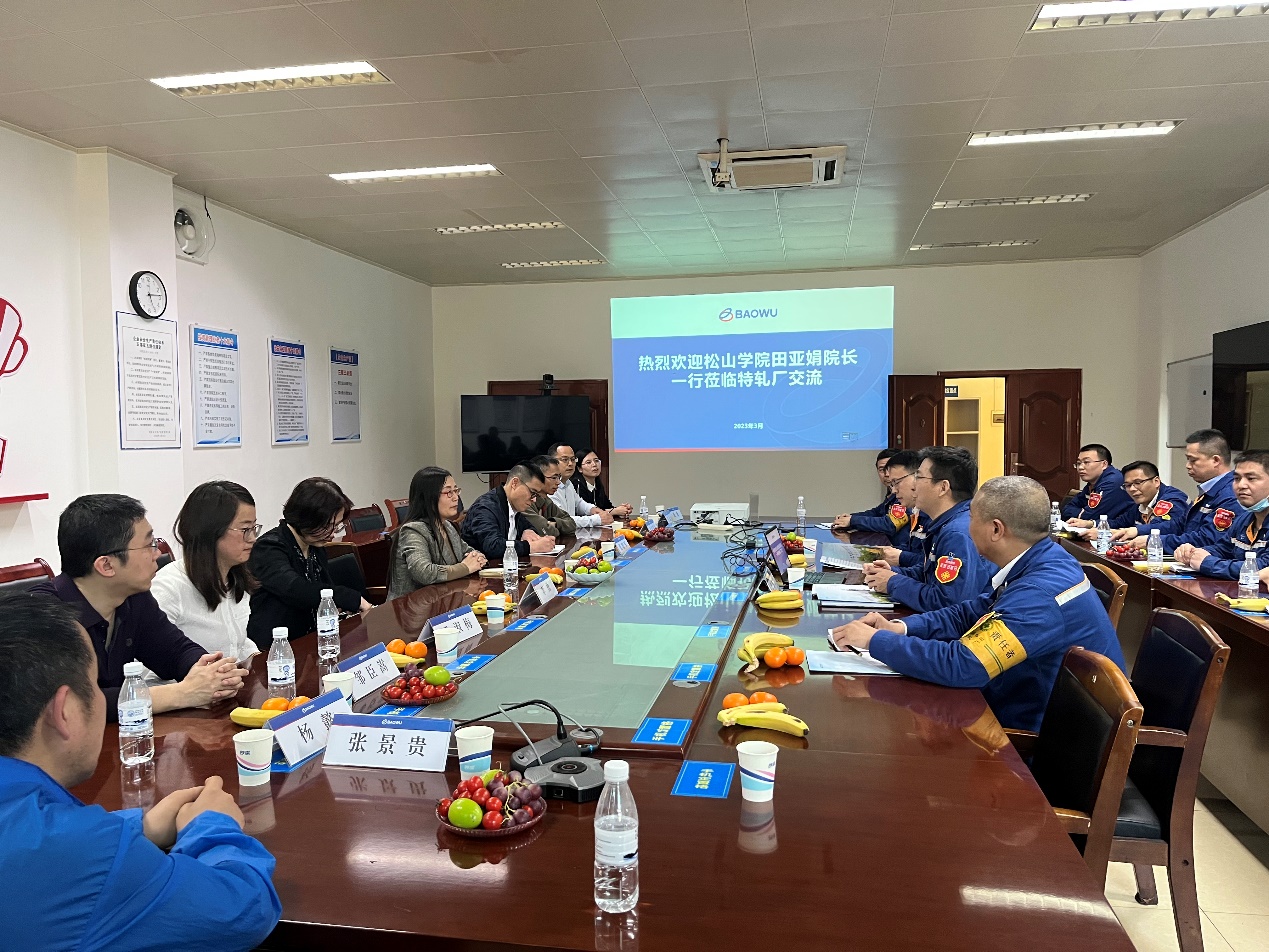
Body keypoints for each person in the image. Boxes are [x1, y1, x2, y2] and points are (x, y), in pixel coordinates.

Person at [0, 593, 281, 950]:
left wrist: (137, 828)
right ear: (65, 711)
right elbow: (243, 910)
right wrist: (213, 827)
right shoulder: (81, 855)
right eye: (95, 685)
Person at [830, 475, 1126, 733]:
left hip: (1032, 738)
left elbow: (964, 664)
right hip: (1014, 699)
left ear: (996, 529)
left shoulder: (1039, 594)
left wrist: (875, 642)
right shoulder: (1045, 559)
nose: (966, 526)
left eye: (971, 517)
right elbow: (972, 612)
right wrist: (901, 628)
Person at [33, 494, 247, 721]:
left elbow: (174, 651)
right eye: (149, 545)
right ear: (106, 565)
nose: (157, 554)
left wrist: (213, 675)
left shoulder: (133, 597)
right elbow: (70, 704)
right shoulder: (42, 617)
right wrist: (181, 693)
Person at [864, 447, 996, 611]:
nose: (914, 485)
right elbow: (932, 574)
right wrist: (892, 573)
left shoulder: (957, 533)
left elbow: (946, 603)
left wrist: (892, 582)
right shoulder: (947, 522)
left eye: (919, 477)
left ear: (943, 487)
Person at [247, 477, 372, 647]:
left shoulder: (314, 545)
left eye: (336, 526)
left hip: (312, 639)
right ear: (305, 519)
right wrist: (349, 598)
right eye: (327, 526)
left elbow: (323, 587)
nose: (332, 534)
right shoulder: (268, 547)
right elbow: (295, 588)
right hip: (276, 647)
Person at [152, 481, 259, 662]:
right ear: (211, 531)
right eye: (245, 529)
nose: (253, 538)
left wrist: (256, 657)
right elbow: (147, 670)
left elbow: (236, 642)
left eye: (254, 528)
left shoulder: (234, 576)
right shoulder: (168, 588)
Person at [1111, 429, 1242, 553]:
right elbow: (1179, 525)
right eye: (1187, 460)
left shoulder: (1230, 494)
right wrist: (1138, 531)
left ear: (1216, 460)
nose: (1187, 465)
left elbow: (1207, 539)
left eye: (1193, 460)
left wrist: (1154, 541)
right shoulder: (1209, 490)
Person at [387, 467, 487, 599]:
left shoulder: (448, 526)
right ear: (429, 497)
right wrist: (465, 567)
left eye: (456, 490)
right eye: (449, 492)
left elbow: (468, 551)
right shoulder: (413, 530)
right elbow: (424, 572)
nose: (456, 497)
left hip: (443, 601)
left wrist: (478, 558)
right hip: (411, 607)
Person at [1174, 450, 1269, 581]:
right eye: (1237, 478)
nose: (1241, 485)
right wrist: (1194, 553)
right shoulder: (1245, 519)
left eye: (1251, 478)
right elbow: (1224, 549)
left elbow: (1262, 567)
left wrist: (1206, 563)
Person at [461, 461, 558, 559]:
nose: (534, 500)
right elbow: (493, 546)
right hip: (485, 567)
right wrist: (531, 547)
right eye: (532, 493)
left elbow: (527, 526)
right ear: (514, 483)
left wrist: (528, 531)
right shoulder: (485, 508)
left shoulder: (514, 505)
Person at [1080, 460, 1189, 543]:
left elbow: (1166, 528)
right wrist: (1090, 523)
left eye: (1138, 483)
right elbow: (1120, 522)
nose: (1132, 489)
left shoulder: (1172, 500)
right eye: (1127, 485)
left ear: (1156, 481)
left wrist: (1109, 533)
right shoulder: (1141, 501)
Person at [868, 450, 931, 565]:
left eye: (896, 482)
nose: (894, 490)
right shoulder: (920, 512)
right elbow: (914, 551)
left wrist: (900, 558)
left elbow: (930, 566)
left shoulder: (949, 527)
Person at [548, 443, 631, 526]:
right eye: (565, 459)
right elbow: (562, 520)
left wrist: (592, 509)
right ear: (552, 462)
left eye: (573, 459)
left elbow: (579, 503)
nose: (570, 463)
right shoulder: (549, 487)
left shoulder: (568, 483)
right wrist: (597, 519)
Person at [1061, 443, 1136, 528]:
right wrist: (1082, 513)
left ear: (1104, 464)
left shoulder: (1113, 482)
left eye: (1086, 462)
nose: (1080, 467)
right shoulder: (1093, 483)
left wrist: (1083, 513)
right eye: (1078, 463)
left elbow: (1090, 517)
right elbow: (1066, 509)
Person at [833, 447, 901, 531]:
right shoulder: (891, 493)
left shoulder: (905, 494)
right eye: (882, 469)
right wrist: (849, 518)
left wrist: (853, 521)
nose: (886, 474)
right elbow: (877, 513)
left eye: (890, 468)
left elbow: (889, 524)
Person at [521, 455, 578, 538]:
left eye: (559, 477)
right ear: (538, 477)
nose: (558, 482)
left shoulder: (546, 501)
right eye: (554, 477)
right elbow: (545, 531)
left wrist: (555, 522)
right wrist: (552, 528)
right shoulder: (524, 501)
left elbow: (572, 524)